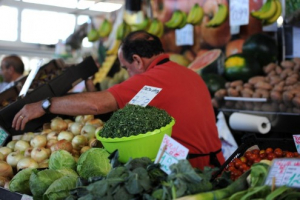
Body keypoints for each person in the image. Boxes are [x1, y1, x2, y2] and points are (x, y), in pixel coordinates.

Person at [12, 30, 224, 169]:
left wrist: (45, 104)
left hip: (189, 169)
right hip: (214, 163)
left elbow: (98, 104)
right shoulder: (187, 73)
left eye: (126, 68)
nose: (129, 73)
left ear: (137, 60)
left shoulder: (152, 78)